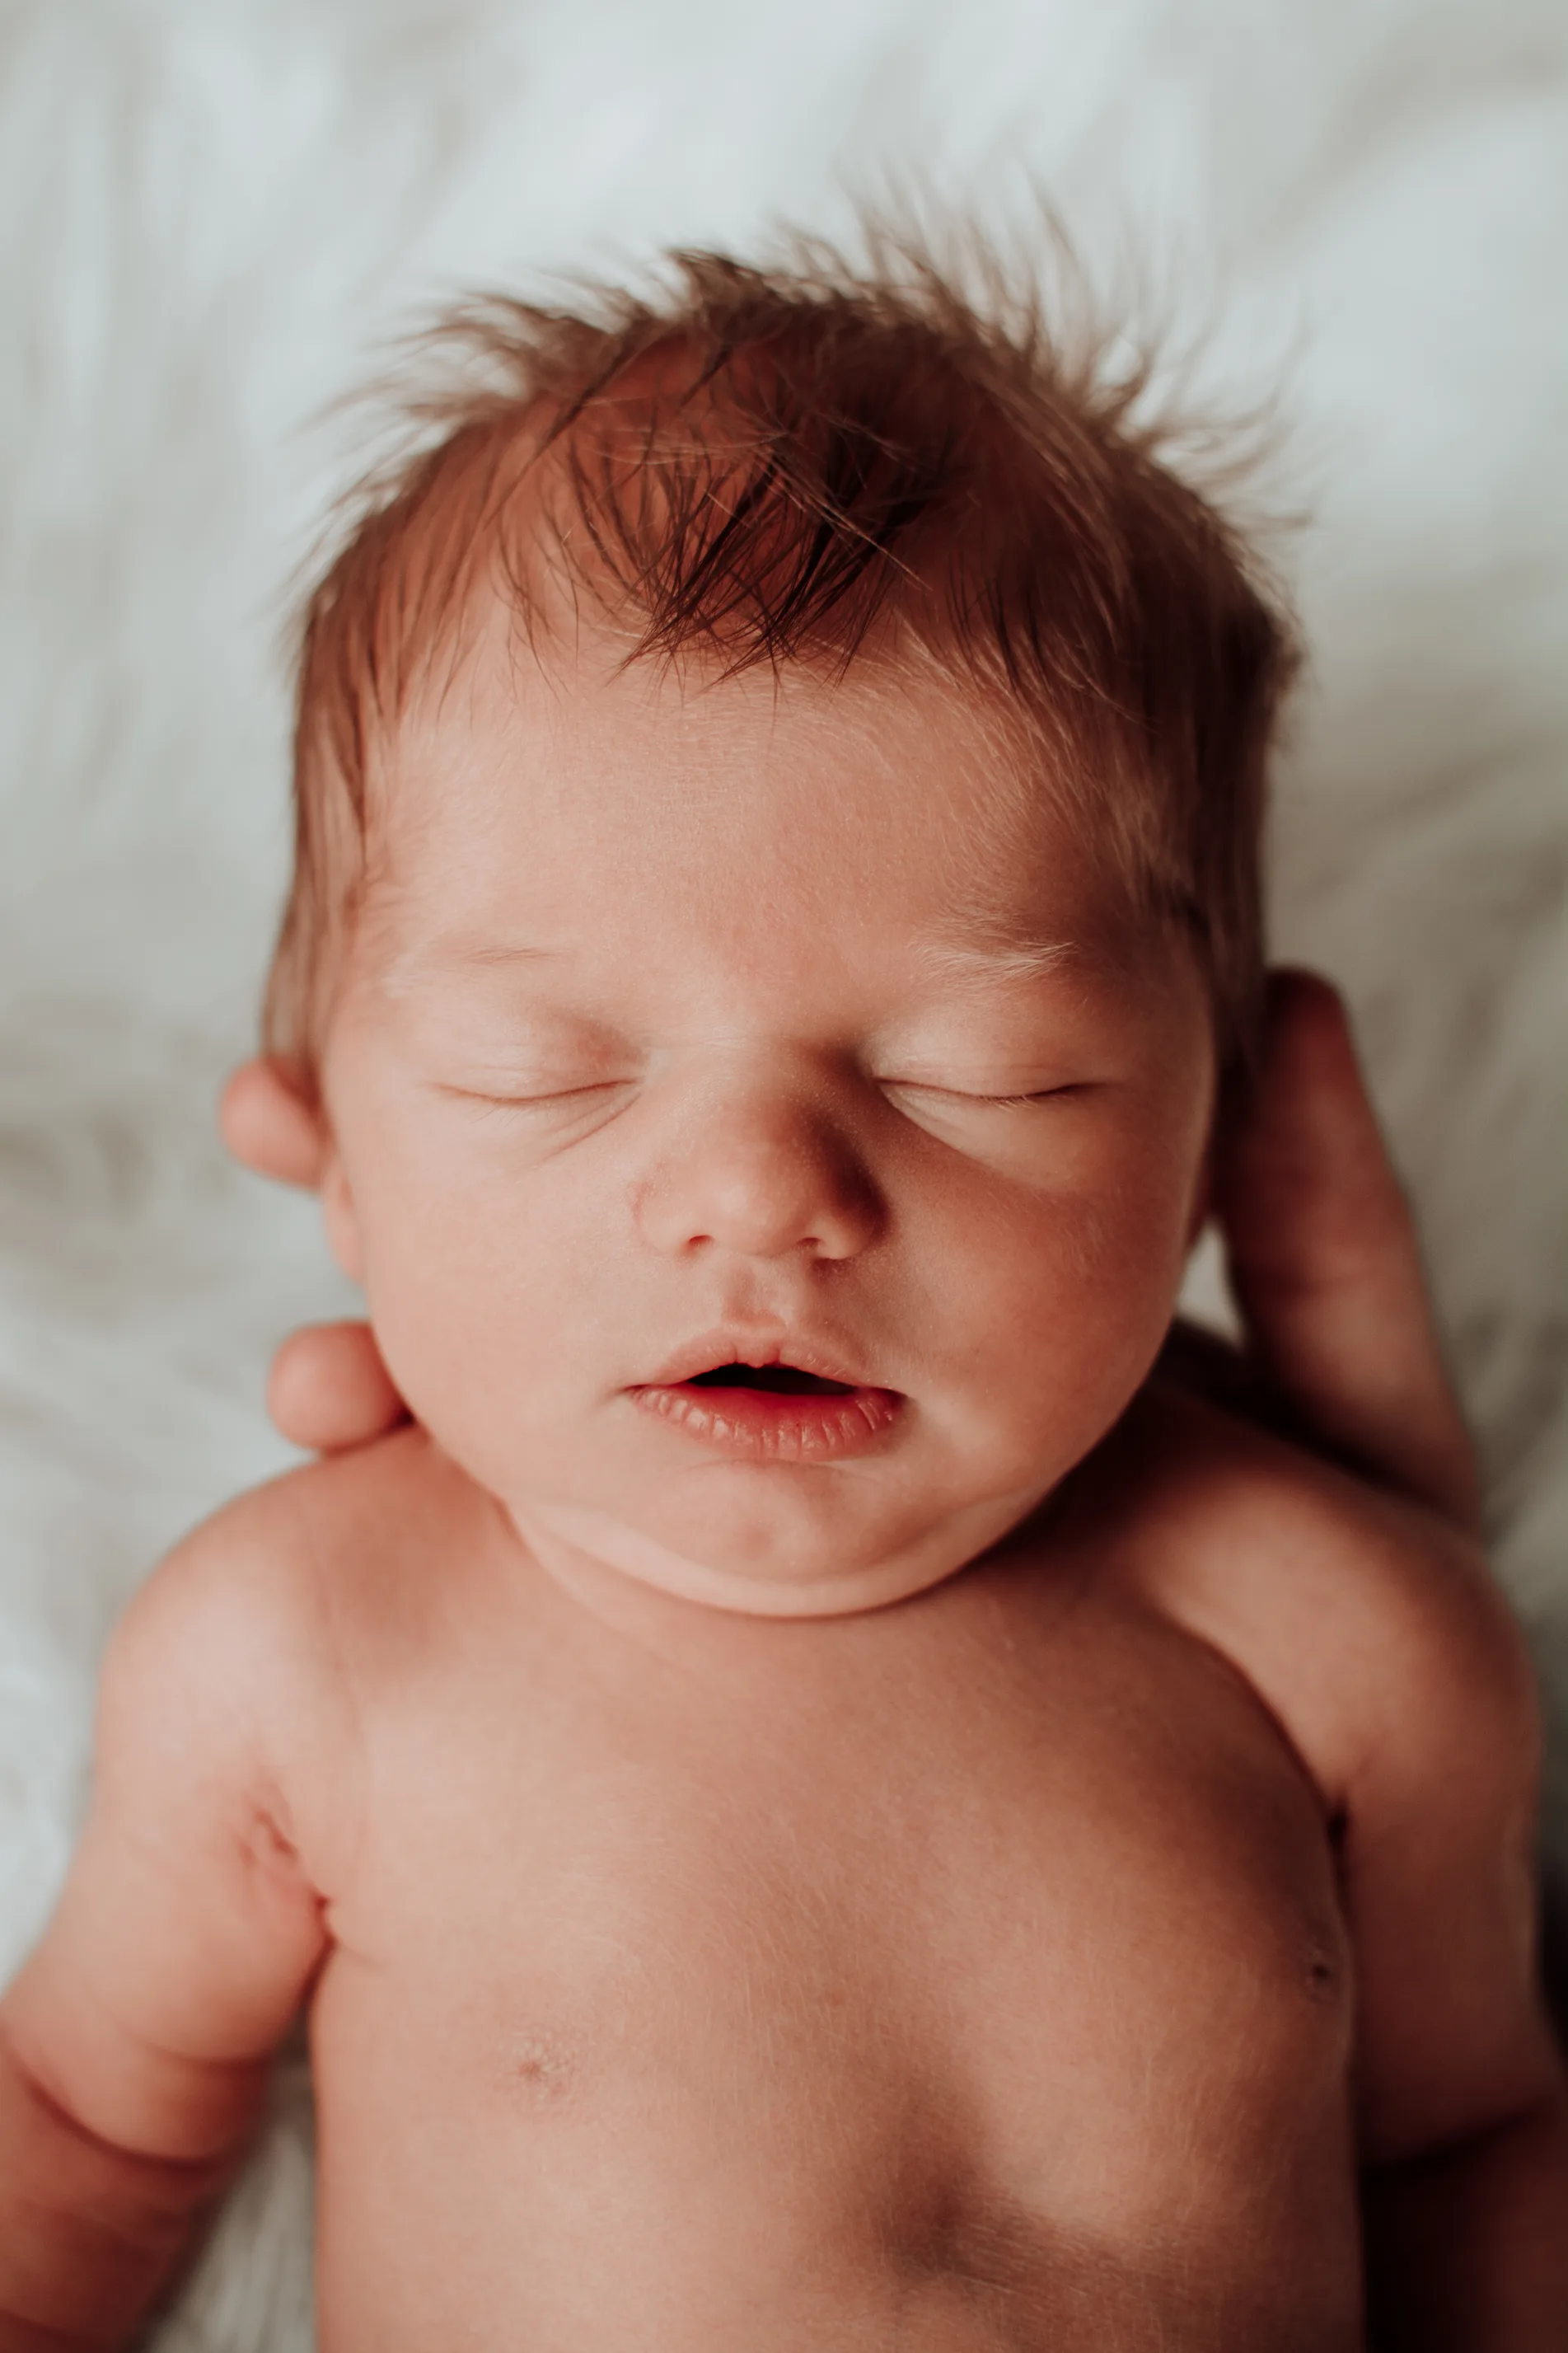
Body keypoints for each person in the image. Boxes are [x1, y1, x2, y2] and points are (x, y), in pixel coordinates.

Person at [2, 242, 1563, 2352]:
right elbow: (74, 2124)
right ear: (334, 1161)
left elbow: (1469, 2148)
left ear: (1210, 1145)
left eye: (982, 1077)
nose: (759, 1192)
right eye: (543, 1069)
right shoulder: (299, 1652)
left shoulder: (1340, 1639)